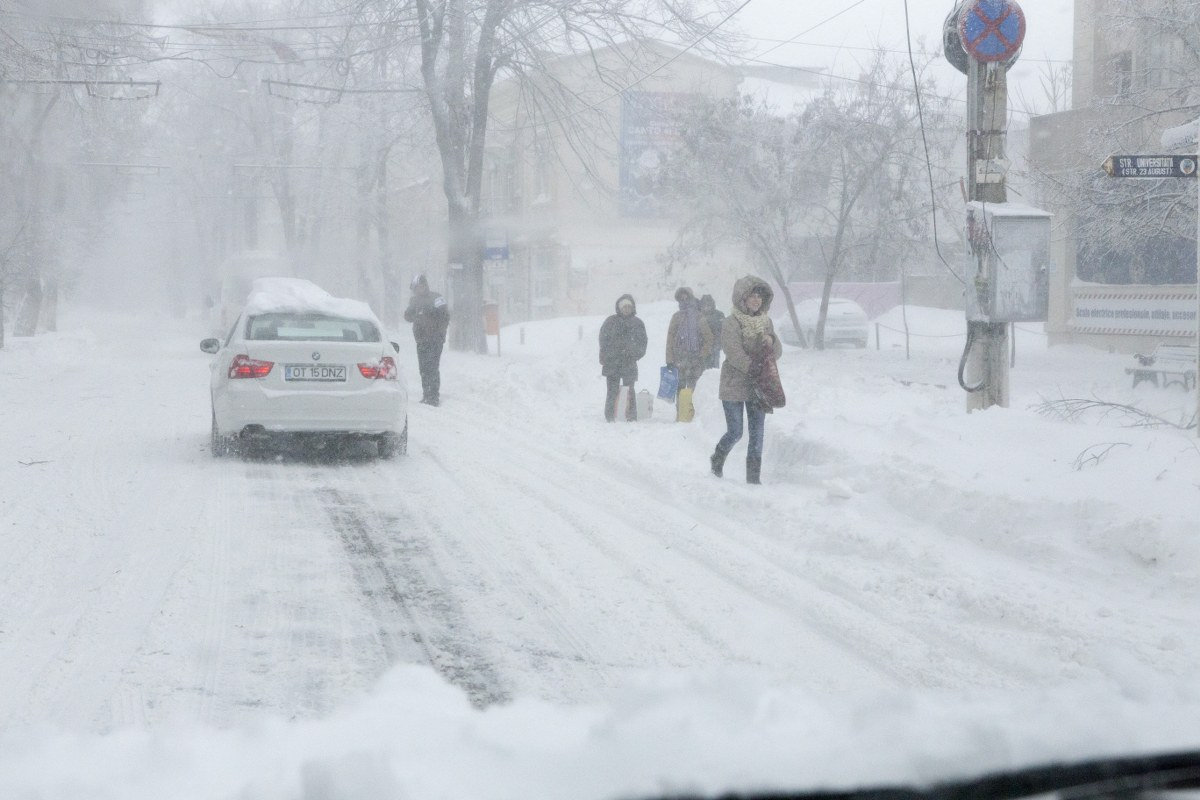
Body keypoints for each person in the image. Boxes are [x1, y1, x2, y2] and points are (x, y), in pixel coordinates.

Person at [710, 276, 783, 485]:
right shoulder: (731, 323)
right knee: (735, 432)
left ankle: (753, 478)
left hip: (759, 385)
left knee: (757, 433)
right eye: (752, 296)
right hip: (734, 383)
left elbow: (777, 352)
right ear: (742, 298)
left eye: (759, 296)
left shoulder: (766, 322)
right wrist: (754, 367)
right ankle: (718, 457)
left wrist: (772, 340)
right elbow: (733, 352)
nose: (756, 300)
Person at [665, 287, 713, 422]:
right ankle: (681, 414)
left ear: (691, 298)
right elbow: (670, 339)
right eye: (682, 298)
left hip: (695, 359)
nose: (684, 299)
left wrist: (702, 354)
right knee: (680, 387)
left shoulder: (699, 316)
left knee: (693, 387)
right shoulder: (676, 317)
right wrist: (669, 359)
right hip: (679, 358)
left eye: (686, 297)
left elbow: (708, 338)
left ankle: (690, 414)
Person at [598, 294, 648, 422]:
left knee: (630, 389)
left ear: (632, 308)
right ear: (619, 308)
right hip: (612, 362)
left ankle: (632, 416)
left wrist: (634, 354)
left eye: (629, 307)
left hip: (629, 362)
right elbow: (603, 340)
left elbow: (643, 343)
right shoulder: (610, 321)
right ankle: (609, 416)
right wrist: (607, 354)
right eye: (624, 307)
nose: (626, 309)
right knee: (611, 390)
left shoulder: (637, 323)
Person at [404, 273, 450, 406]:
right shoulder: (414, 301)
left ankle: (433, 396)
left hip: (435, 340)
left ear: (424, 286)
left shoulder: (436, 298)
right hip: (421, 340)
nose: (417, 290)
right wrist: (414, 315)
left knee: (432, 367)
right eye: (414, 289)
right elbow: (407, 316)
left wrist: (438, 332)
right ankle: (426, 394)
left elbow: (444, 316)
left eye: (418, 287)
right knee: (423, 368)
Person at [699, 293, 725, 370]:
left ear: (712, 305)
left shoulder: (719, 315)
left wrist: (720, 343)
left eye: (708, 305)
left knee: (713, 370)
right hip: (702, 347)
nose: (706, 307)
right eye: (704, 305)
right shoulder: (698, 315)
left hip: (715, 346)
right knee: (702, 369)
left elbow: (724, 330)